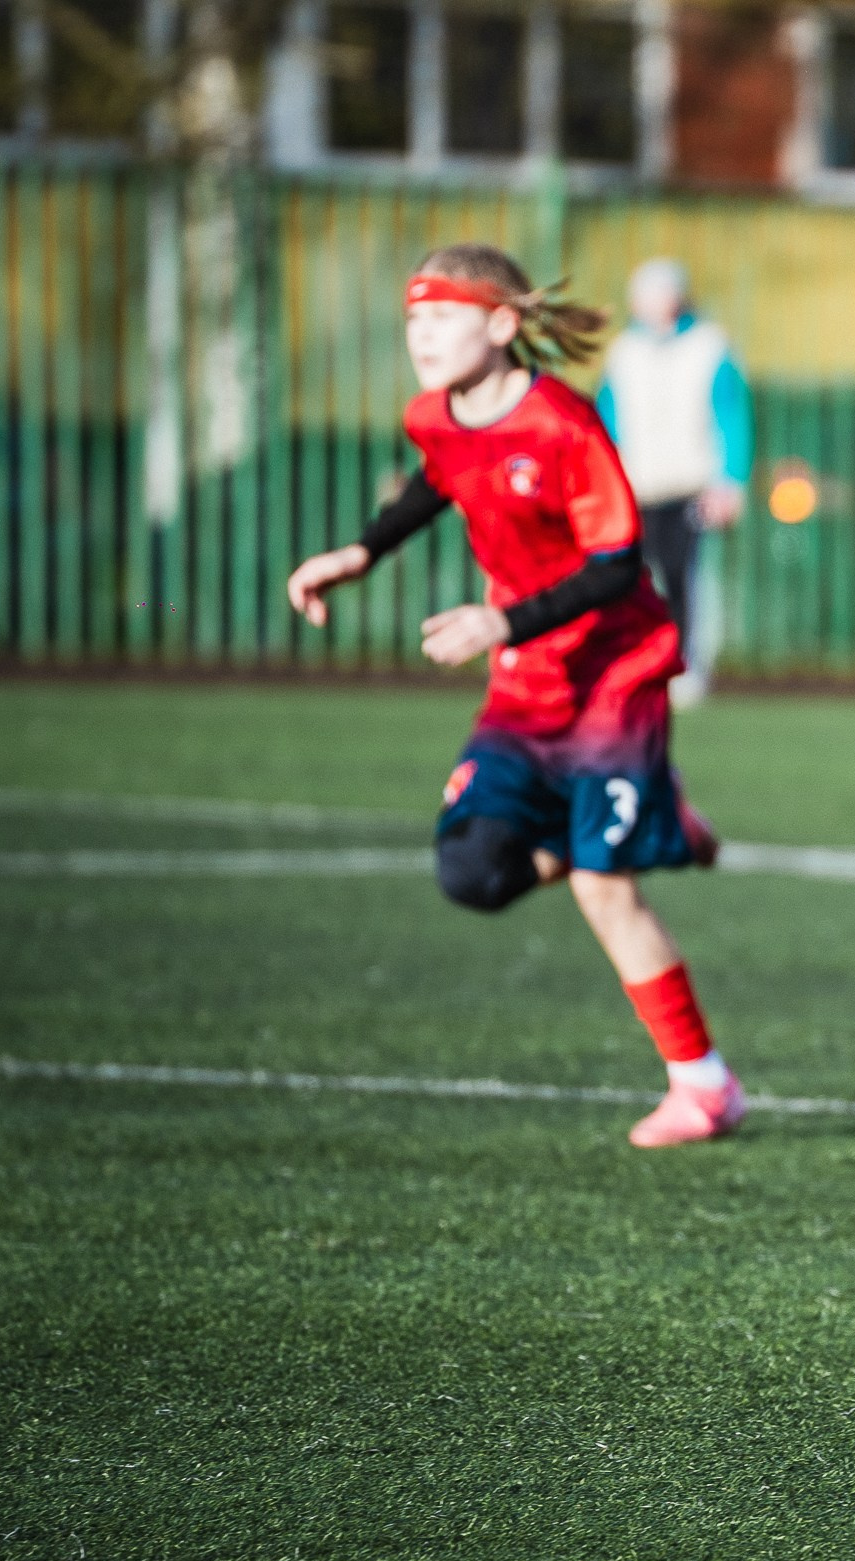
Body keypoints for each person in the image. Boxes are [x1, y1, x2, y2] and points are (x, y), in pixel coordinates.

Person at [284, 244, 743, 1151]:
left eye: (442, 318)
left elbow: (617, 568)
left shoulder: (563, 424)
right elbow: (437, 477)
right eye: (413, 320)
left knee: (605, 889)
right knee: (473, 875)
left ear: (500, 325)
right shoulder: (435, 414)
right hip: (528, 684)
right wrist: (360, 553)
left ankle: (704, 1087)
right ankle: (660, 818)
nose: (422, 336)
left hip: (615, 672)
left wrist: (501, 624)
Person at [597, 259, 753, 709]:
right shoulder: (623, 351)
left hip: (690, 484)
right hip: (635, 486)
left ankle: (687, 667)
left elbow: (731, 414)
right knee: (633, 580)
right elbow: (608, 419)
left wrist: (730, 481)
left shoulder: (710, 345)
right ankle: (638, 663)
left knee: (685, 577)